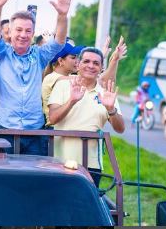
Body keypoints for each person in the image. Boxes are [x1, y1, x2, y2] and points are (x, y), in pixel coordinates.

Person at [0, 0, 72, 155]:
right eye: (18, 30)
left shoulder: (40, 54)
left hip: (34, 130)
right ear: (9, 31)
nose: (23, 35)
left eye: (27, 31)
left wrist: (62, 16)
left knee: (34, 180)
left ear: (33, 33)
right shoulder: (1, 54)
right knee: (3, 178)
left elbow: (59, 42)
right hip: (4, 128)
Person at [48, 47, 125, 186]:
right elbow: (52, 118)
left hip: (92, 164)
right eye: (86, 61)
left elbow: (120, 128)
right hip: (60, 160)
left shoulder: (105, 92)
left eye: (96, 63)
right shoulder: (63, 85)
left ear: (102, 68)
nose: (91, 66)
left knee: (84, 206)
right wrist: (72, 100)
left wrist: (111, 109)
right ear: (78, 64)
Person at [41, 43, 84, 127]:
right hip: (53, 130)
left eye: (77, 57)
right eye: (73, 57)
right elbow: (84, 79)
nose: (77, 61)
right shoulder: (51, 77)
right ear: (60, 61)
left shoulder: (69, 77)